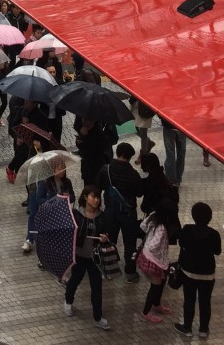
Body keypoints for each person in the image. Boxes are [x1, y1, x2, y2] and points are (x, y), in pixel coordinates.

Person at [62, 185, 112, 330]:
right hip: (79, 255)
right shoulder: (76, 214)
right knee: (75, 279)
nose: (96, 200)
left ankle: (98, 317)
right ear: (85, 197)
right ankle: (68, 301)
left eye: (98, 197)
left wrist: (105, 238)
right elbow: (70, 232)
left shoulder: (101, 216)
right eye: (93, 197)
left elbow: (107, 233)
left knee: (96, 286)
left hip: (94, 257)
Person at [174, 201, 221, 339]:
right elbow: (217, 251)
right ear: (210, 217)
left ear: (193, 216)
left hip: (189, 272)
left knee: (189, 300)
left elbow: (181, 243)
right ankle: (203, 330)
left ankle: (187, 328)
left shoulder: (187, 229)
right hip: (208, 274)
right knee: (205, 301)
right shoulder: (214, 234)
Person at [99, 141, 144, 282]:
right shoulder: (134, 174)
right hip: (128, 213)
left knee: (108, 241)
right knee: (130, 244)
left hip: (110, 211)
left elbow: (97, 187)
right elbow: (139, 193)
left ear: (117, 153)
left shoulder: (106, 170)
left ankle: (108, 268)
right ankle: (130, 273)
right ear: (129, 157)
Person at [136, 197, 181, 324]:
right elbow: (153, 246)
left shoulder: (153, 216)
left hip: (150, 256)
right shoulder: (162, 228)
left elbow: (142, 226)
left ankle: (157, 304)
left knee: (162, 281)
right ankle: (146, 312)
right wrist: (159, 248)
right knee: (155, 286)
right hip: (155, 260)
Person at [25, 154, 74, 254]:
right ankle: (31, 240)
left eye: (63, 169)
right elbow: (39, 199)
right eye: (59, 169)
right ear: (53, 170)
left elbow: (73, 197)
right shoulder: (45, 183)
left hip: (62, 212)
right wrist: (53, 200)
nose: (62, 171)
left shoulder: (67, 182)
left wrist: (69, 196)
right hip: (50, 212)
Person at [161, 116, 188, 185]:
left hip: (169, 126)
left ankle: (171, 179)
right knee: (181, 153)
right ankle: (177, 178)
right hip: (181, 125)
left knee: (170, 153)